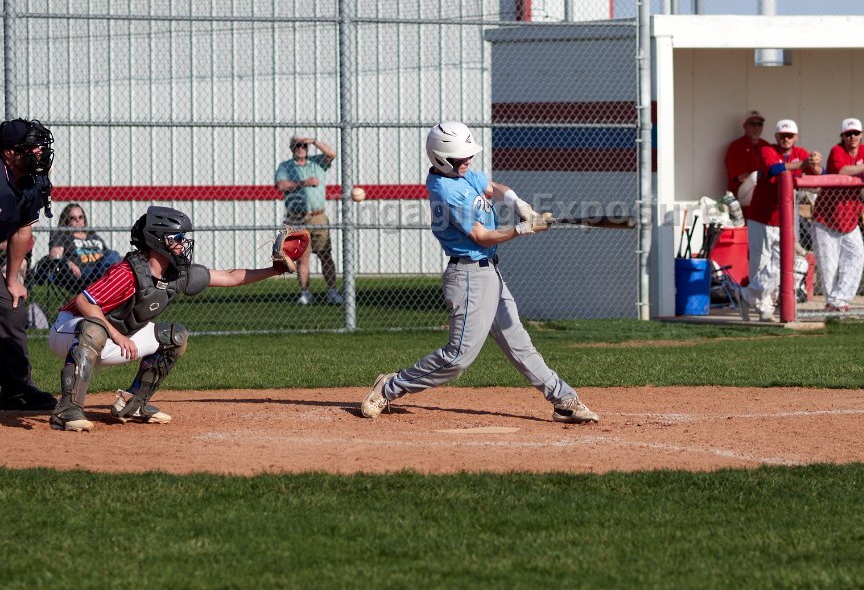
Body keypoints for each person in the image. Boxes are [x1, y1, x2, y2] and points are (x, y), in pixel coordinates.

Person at [360, 122, 599, 424]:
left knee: (519, 344)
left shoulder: (461, 173)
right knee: (458, 357)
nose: (468, 161)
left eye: (468, 155)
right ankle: (390, 386)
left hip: (490, 273)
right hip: (468, 277)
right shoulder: (446, 190)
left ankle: (563, 399)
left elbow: (492, 187)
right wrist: (522, 228)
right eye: (461, 158)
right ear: (441, 158)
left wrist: (519, 204)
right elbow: (481, 237)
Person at [48, 205, 286, 432]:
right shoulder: (128, 272)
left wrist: (274, 270)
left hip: (113, 336)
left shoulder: (176, 274)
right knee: (94, 329)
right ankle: (67, 410)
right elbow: (84, 302)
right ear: (158, 241)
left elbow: (230, 276)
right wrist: (118, 336)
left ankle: (133, 404)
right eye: (178, 238)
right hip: (69, 330)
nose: (183, 243)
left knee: (175, 337)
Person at [735, 119, 822, 322]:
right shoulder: (768, 150)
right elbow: (774, 169)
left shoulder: (801, 152)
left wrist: (815, 163)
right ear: (776, 136)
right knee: (759, 264)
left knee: (783, 264)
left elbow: (821, 174)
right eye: (782, 136)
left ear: (796, 137)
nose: (786, 139)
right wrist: (803, 164)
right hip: (761, 217)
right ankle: (764, 310)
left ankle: (746, 295)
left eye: (789, 136)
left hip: (784, 219)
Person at [0, 118, 57, 411]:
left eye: (40, 146)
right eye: (31, 147)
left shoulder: (34, 180)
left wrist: (12, 281)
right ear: (9, 152)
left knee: (11, 307)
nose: (39, 152)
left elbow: (23, 232)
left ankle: (16, 390)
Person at [811, 117, 864, 312]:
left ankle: (840, 300)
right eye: (848, 134)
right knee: (829, 267)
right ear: (843, 136)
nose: (852, 137)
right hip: (827, 218)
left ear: (861, 135)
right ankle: (832, 305)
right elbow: (842, 170)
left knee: (857, 256)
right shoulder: (837, 150)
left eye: (855, 133)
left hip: (850, 219)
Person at [274, 134, 343, 305]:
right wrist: (304, 183)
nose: (301, 148)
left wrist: (313, 141)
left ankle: (332, 292)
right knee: (303, 258)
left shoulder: (317, 162)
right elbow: (281, 185)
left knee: (325, 254)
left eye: (304, 145)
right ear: (291, 148)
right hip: (297, 218)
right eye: (297, 145)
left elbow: (332, 154)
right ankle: (305, 293)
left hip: (318, 216)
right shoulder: (285, 166)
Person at [41, 203, 122, 291]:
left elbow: (107, 255)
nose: (78, 220)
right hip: (80, 271)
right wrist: (68, 263)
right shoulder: (62, 235)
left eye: (80, 217)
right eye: (73, 218)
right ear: (66, 220)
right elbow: (55, 255)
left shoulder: (93, 236)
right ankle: (102, 285)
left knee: (113, 254)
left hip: (99, 268)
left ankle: (102, 283)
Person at [725, 110, 771, 215]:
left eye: (759, 124)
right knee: (755, 177)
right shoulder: (736, 146)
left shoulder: (766, 146)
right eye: (752, 124)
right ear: (745, 126)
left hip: (762, 192)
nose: (756, 128)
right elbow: (742, 177)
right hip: (741, 197)